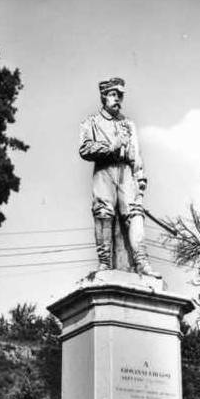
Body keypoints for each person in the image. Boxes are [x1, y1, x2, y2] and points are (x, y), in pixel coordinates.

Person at [78, 77, 159, 277]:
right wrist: (111, 146)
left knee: (135, 213)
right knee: (103, 212)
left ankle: (142, 263)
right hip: (104, 170)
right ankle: (105, 263)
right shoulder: (91, 122)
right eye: (113, 95)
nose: (117, 99)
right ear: (104, 96)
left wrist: (140, 178)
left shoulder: (128, 124)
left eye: (120, 95)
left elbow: (136, 152)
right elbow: (85, 149)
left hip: (126, 172)